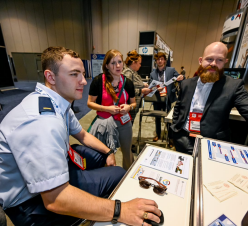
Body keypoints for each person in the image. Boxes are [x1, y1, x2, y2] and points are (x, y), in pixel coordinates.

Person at [0, 47, 161, 226]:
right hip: (29, 203)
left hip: (51, 176)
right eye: (74, 74)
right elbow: (55, 199)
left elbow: (82, 134)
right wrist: (119, 210)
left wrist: (108, 152)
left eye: (83, 74)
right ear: (50, 77)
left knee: (100, 156)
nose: (84, 81)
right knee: (117, 174)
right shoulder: (42, 122)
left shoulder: (57, 102)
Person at [171, 42, 248, 166]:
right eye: (209, 59)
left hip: (211, 144)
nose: (213, 63)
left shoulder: (233, 86)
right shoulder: (186, 84)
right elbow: (179, 107)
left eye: (219, 60)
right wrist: (175, 128)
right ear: (200, 60)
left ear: (225, 61)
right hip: (183, 139)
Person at [88, 49, 135, 170]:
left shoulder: (128, 82)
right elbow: (90, 103)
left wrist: (129, 107)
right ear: (107, 66)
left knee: (127, 154)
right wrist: (107, 108)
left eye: (120, 61)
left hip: (124, 123)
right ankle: (107, 179)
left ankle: (126, 178)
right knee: (106, 155)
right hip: (105, 123)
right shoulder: (99, 81)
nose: (118, 65)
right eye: (113, 63)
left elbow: (134, 103)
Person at [150, 52, 184, 142]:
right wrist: (157, 88)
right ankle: (158, 134)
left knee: (169, 118)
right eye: (158, 59)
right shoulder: (152, 74)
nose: (160, 61)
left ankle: (170, 137)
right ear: (156, 61)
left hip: (168, 98)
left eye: (161, 59)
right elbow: (151, 87)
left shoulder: (171, 70)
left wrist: (181, 77)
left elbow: (179, 78)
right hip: (157, 98)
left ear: (165, 60)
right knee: (157, 118)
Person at [122, 50, 151, 123]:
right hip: (129, 105)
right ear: (133, 63)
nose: (140, 65)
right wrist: (141, 91)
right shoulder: (128, 73)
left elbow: (134, 84)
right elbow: (126, 90)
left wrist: (143, 85)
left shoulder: (133, 72)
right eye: (139, 63)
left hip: (133, 105)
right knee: (127, 126)